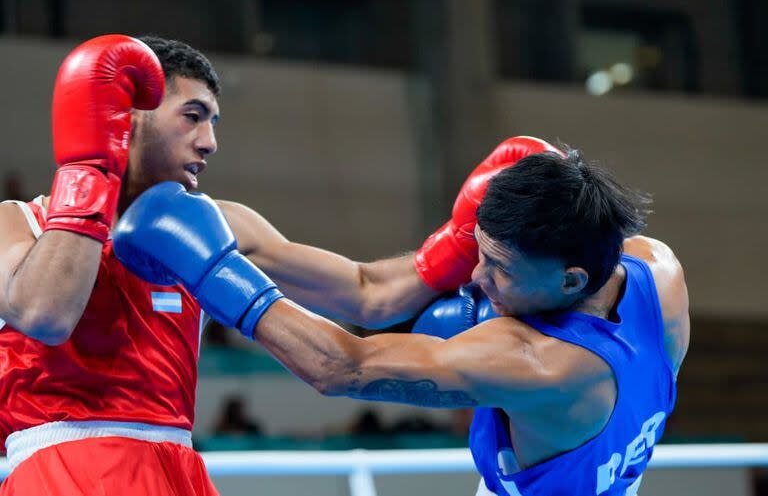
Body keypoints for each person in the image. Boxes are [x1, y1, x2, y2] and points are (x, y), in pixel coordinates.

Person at [0, 33, 551, 494]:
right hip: (61, 467)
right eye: (191, 116)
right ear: (130, 116)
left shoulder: (222, 224)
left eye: (213, 121)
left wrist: (459, 235)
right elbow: (47, 314)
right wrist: (92, 169)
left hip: (176, 468)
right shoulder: (17, 222)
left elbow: (368, 294)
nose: (209, 141)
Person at [115, 148, 689, 495]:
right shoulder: (657, 269)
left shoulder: (539, 361)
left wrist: (214, 273)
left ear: (569, 281)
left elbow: (343, 366)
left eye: (499, 268)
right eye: (479, 253)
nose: (474, 280)